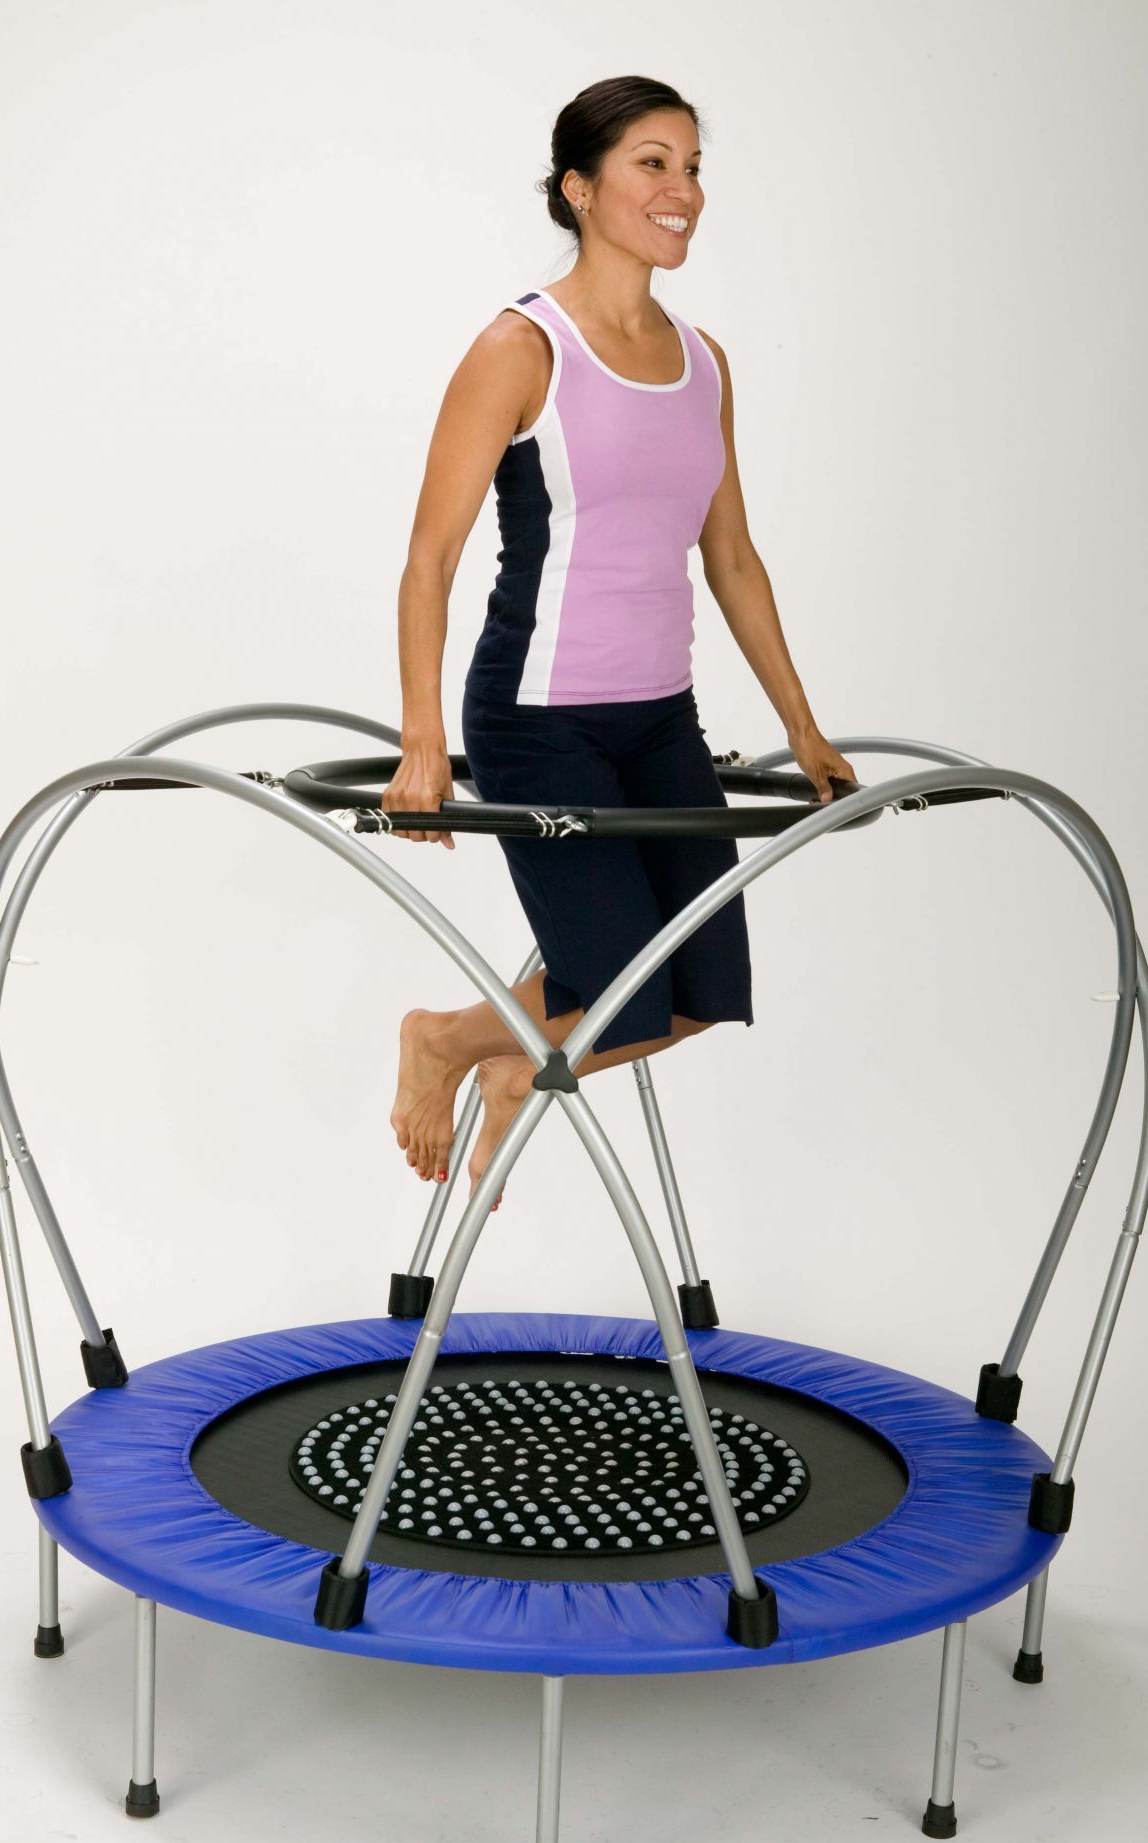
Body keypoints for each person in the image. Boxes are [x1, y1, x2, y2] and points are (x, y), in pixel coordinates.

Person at [384, 75, 857, 1212]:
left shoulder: (705, 362)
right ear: (580, 189)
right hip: (537, 718)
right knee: (621, 992)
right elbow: (430, 557)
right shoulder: (520, 348)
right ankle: (440, 1039)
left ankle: (507, 1068)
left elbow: (730, 559)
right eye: (652, 163)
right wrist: (422, 739)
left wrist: (801, 727)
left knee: (704, 991)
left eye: (691, 167)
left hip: (658, 717)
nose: (681, 188)